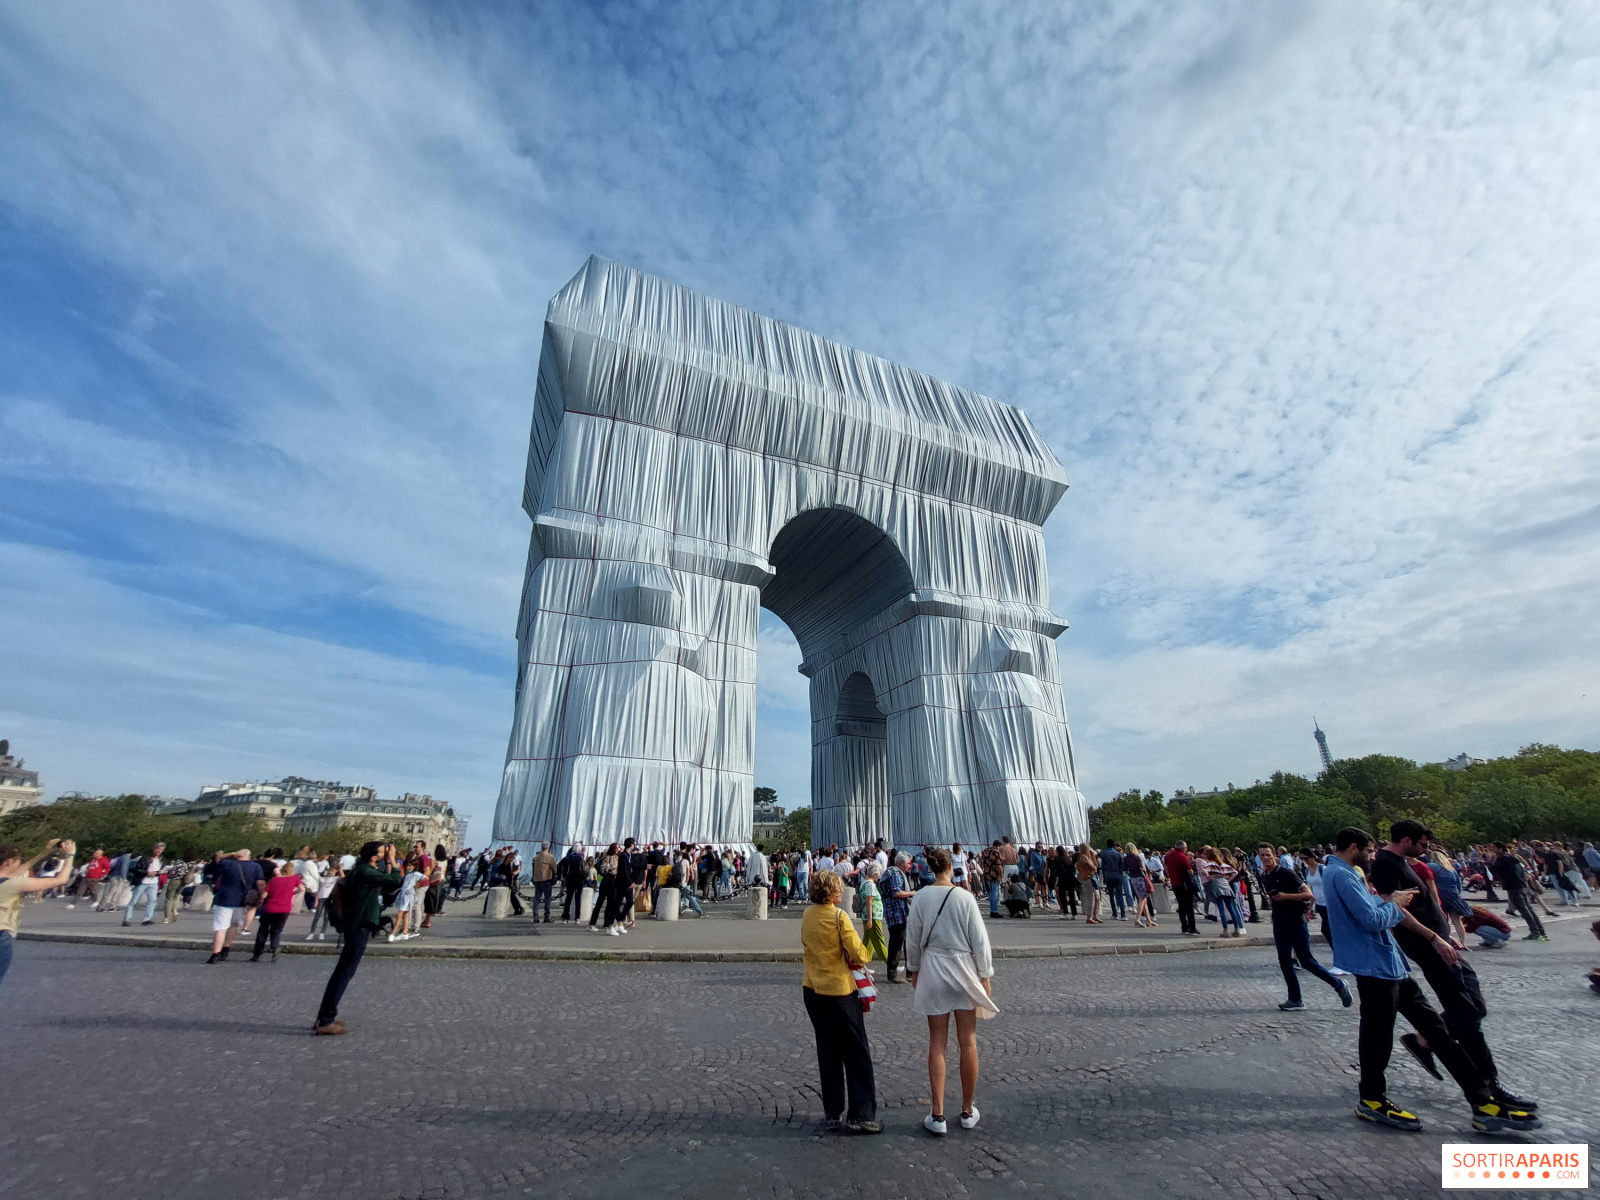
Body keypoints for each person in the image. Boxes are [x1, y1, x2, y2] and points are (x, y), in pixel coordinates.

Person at [1324, 826, 1538, 1134]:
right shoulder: (1342, 876)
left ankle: (1483, 1103)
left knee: (1436, 1032)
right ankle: (1372, 1100)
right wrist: (1395, 902)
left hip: (1389, 965)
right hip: (1374, 968)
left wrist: (1394, 909)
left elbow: (1374, 914)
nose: (1371, 855)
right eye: (1368, 850)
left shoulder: (1347, 872)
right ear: (1354, 847)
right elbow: (1371, 920)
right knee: (1377, 1039)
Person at [907, 846, 997, 1136]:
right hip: (962, 967)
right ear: (952, 868)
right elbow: (980, 941)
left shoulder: (920, 897)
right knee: (967, 1042)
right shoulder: (964, 897)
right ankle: (968, 1110)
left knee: (937, 1043)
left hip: (933, 967)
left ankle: (938, 1114)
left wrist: (914, 968)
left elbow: (913, 938)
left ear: (930, 868)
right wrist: (984, 975)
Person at [799, 869, 880, 1134]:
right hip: (840, 991)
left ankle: (832, 1112)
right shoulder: (838, 916)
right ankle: (861, 1115)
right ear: (833, 892)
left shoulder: (808, 914)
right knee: (857, 1053)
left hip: (813, 989)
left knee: (828, 1052)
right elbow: (859, 953)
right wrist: (865, 952)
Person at [313, 841, 403, 1035]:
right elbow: (395, 880)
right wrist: (393, 860)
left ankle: (325, 1015)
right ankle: (326, 1019)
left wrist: (387, 861)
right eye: (382, 852)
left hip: (357, 922)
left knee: (343, 971)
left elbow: (385, 879)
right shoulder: (365, 872)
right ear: (373, 857)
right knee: (344, 972)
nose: (385, 853)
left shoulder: (363, 870)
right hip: (359, 924)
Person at [1259, 844, 1350, 1011]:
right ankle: (1295, 998)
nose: (1265, 858)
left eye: (1268, 855)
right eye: (1262, 855)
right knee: (1284, 961)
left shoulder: (1286, 873)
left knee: (1306, 961)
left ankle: (1338, 984)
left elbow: (1308, 894)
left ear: (1274, 856)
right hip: (1279, 922)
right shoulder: (1264, 875)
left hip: (1295, 921)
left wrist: (1286, 896)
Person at [1, 839, 77, 988]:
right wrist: (70, 855)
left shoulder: (7, 881)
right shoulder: (13, 884)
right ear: (9, 862)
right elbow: (60, 880)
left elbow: (18, 871)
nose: (19, 863)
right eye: (18, 860)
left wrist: (43, 853)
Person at [207, 849, 264, 964]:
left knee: (220, 927)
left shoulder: (228, 863)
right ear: (249, 856)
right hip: (242, 900)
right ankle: (226, 948)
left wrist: (231, 854)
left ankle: (215, 954)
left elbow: (218, 857)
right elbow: (261, 883)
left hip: (224, 898)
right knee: (234, 925)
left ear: (237, 855)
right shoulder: (255, 866)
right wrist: (261, 897)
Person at [1490, 843, 1547, 940]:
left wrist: (1494, 861)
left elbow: (1494, 870)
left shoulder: (1503, 859)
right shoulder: (1512, 858)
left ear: (1501, 848)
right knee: (1529, 909)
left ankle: (1535, 932)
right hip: (1520, 884)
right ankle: (1541, 931)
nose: (1493, 850)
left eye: (1495, 848)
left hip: (1513, 886)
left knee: (1524, 910)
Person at [249, 860, 304, 962]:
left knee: (263, 931)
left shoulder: (274, 880)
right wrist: (291, 893)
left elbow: (264, 895)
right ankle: (274, 949)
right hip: (285, 908)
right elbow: (301, 889)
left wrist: (260, 902)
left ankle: (257, 953)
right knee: (276, 930)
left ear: (283, 870)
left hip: (271, 908)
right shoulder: (295, 879)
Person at [881, 853, 914, 983]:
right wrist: (913, 893)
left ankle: (910, 972)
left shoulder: (893, 872)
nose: (909, 866)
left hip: (897, 913)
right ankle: (892, 974)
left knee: (906, 942)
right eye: (908, 864)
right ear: (901, 863)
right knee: (897, 943)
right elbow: (896, 892)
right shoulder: (895, 873)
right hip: (897, 913)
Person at [121, 841, 166, 927]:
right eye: (158, 849)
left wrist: (160, 872)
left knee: (152, 901)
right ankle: (127, 919)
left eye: (161, 850)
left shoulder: (161, 859)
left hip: (154, 882)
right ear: (154, 849)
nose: (159, 851)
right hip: (143, 881)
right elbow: (136, 868)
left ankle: (147, 918)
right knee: (133, 900)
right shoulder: (146, 858)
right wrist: (146, 872)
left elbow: (162, 868)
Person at [1164, 841, 1198, 935]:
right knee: (1189, 906)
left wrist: (1171, 876)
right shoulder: (1183, 857)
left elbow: (1166, 867)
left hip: (1175, 883)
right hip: (1185, 884)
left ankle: (1184, 927)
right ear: (1183, 848)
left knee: (1181, 906)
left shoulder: (1168, 856)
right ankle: (1192, 928)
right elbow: (1190, 870)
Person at [1098, 839, 1126, 921]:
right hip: (1117, 875)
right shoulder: (1118, 854)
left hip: (1109, 875)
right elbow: (1122, 868)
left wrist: (1104, 878)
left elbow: (1102, 867)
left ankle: (1115, 913)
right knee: (1120, 894)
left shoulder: (1104, 853)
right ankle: (1123, 914)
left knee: (1111, 895)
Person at [1075, 843, 1101, 924]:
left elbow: (1096, 864)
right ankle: (1089, 917)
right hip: (1088, 877)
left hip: (1091, 877)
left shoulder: (1088, 856)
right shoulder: (1083, 857)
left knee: (1097, 897)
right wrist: (1092, 856)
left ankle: (1095, 915)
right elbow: (1093, 867)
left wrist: (1093, 856)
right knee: (1091, 898)